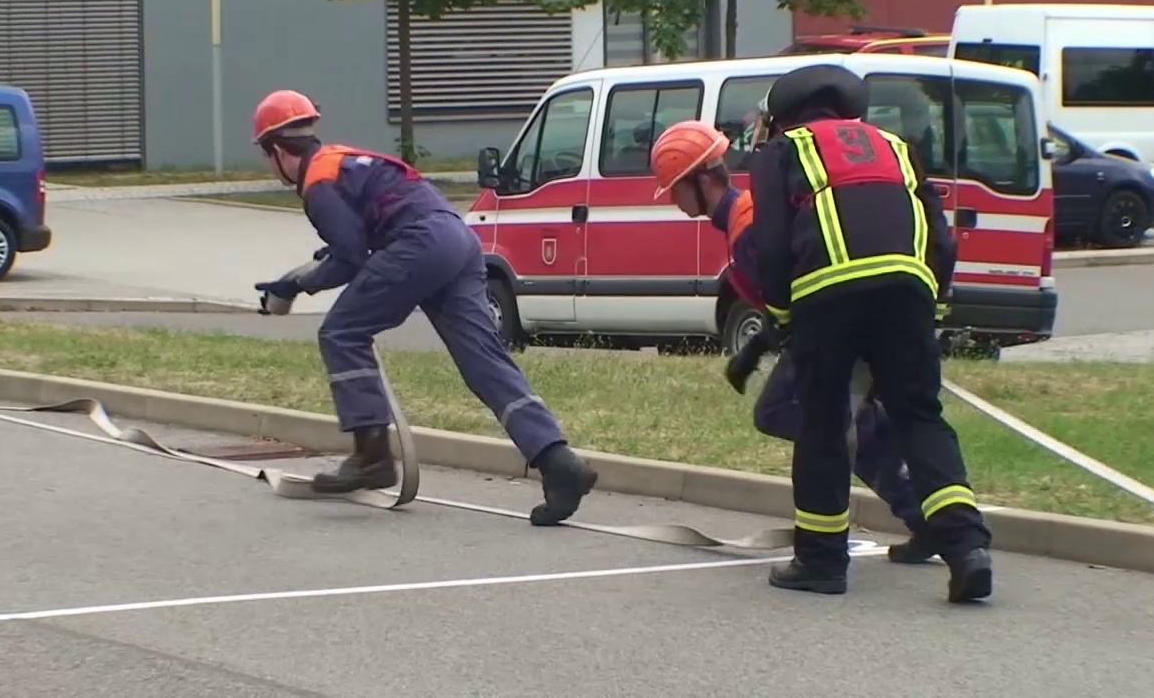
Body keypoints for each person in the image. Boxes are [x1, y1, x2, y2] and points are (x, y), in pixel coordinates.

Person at [248, 89, 597, 526]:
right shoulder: (342, 159)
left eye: (267, 157)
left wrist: (297, 285)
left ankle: (371, 455)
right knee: (484, 363)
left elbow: (351, 256)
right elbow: (353, 239)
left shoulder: (318, 185)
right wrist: (303, 274)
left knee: (341, 332)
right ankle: (558, 462)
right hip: (458, 239)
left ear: (277, 150)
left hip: (419, 244)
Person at [746, 64, 993, 602]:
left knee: (825, 425)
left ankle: (821, 561)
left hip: (825, 293)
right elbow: (941, 240)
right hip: (909, 288)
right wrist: (933, 300)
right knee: (920, 416)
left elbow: (770, 243)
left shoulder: (783, 151)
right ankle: (967, 546)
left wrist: (782, 315)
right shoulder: (896, 146)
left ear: (782, 116)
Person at [648, 120, 935, 567]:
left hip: (833, 329)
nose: (672, 199)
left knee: (795, 414)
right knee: (834, 419)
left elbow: (790, 296)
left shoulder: (745, 228)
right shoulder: (747, 216)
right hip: (843, 322)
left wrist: (760, 347)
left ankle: (901, 508)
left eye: (674, 188)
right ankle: (918, 510)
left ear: (701, 179)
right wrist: (758, 346)